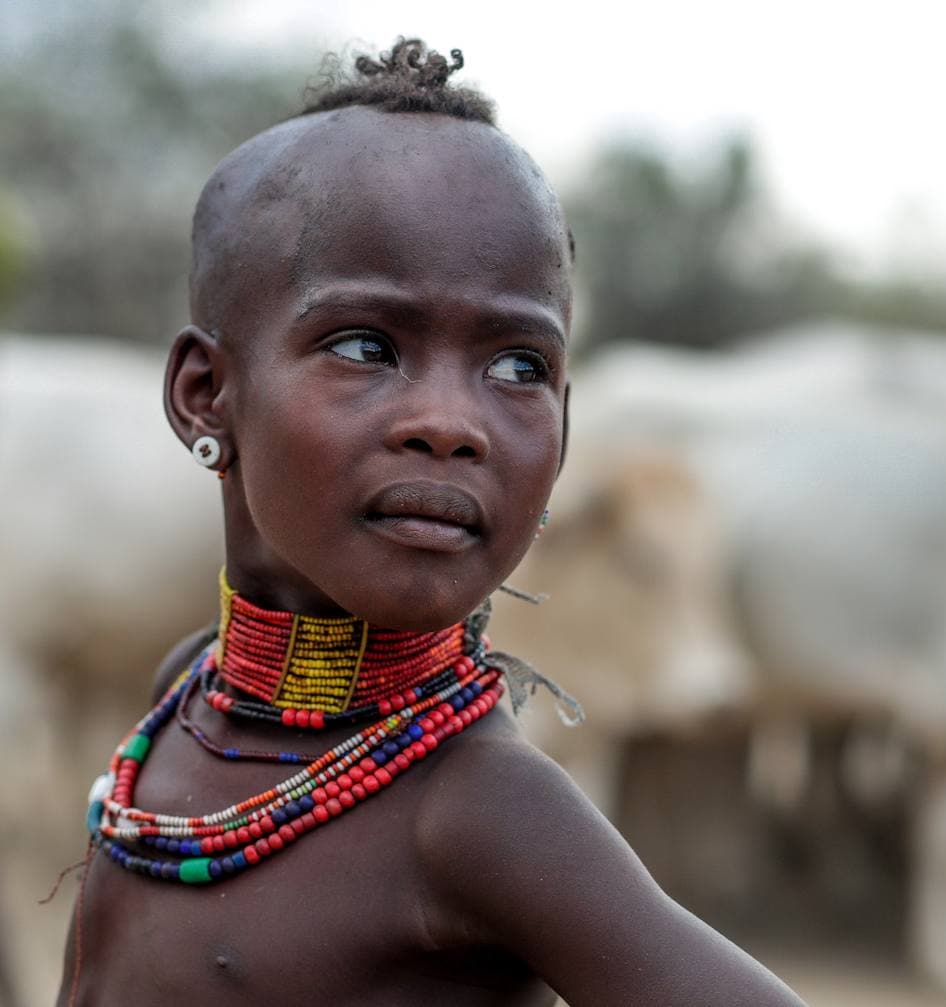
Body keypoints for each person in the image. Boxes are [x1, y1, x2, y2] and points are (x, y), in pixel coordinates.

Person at [58, 39, 807, 1007]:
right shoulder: (183, 698)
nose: (451, 425)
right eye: (367, 346)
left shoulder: (482, 811)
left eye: (518, 367)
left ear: (566, 426)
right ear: (207, 394)